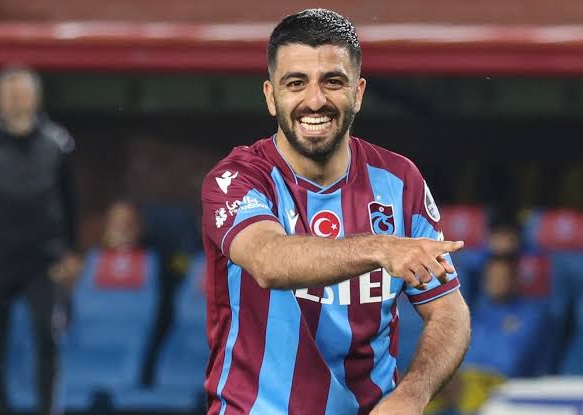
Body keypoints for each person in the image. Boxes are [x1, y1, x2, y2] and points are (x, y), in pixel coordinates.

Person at [200, 9, 471, 415]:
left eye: (333, 81)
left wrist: (412, 395)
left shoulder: (400, 181)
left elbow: (449, 310)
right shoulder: (236, 179)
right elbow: (268, 260)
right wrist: (381, 248)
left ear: (358, 93)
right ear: (271, 97)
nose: (315, 100)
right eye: (296, 83)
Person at [0, 66, 81, 415]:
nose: (16, 102)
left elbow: (70, 201)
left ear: (36, 99)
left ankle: (48, 409)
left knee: (48, 340)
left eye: (22, 95)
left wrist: (72, 251)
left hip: (44, 262)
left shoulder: (57, 142)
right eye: (9, 96)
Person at [436, 254, 549, 415]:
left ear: (515, 279)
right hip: (462, 382)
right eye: (492, 277)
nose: (497, 282)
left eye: (503, 277)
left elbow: (512, 362)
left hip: (503, 386)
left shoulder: (532, 314)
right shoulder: (474, 311)